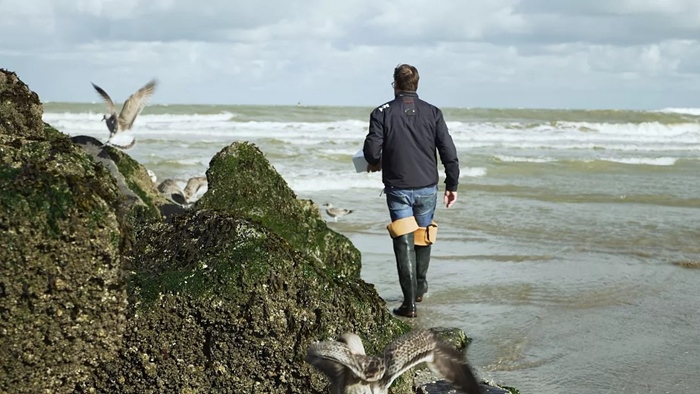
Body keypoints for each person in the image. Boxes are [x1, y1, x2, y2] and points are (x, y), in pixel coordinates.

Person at [362, 64, 460, 318]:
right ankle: (419, 287)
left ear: (395, 84)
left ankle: (409, 304)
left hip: (398, 187)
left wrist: (376, 162)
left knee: (403, 238)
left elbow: (371, 152)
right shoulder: (433, 112)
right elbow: (448, 152)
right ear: (416, 85)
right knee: (424, 233)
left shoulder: (381, 113)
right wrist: (452, 185)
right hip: (427, 185)